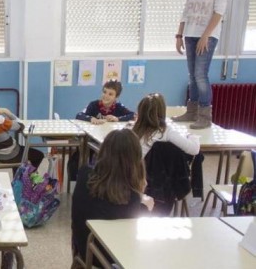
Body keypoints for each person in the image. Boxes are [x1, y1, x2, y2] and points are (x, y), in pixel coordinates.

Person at [71, 129, 153, 264]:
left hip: (83, 253)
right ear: (135, 161)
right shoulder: (130, 199)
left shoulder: (84, 175)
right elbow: (133, 236)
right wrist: (145, 206)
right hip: (109, 260)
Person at [174, 0, 230, 129]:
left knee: (200, 74)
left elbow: (219, 11)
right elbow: (187, 9)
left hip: (207, 35)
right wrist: (179, 34)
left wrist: (206, 35)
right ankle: (191, 112)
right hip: (190, 33)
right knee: (192, 75)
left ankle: (205, 116)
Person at [132, 93, 200, 158]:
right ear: (162, 111)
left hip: (137, 169)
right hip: (155, 168)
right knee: (197, 156)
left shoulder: (133, 131)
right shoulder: (165, 132)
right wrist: (192, 136)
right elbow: (194, 150)